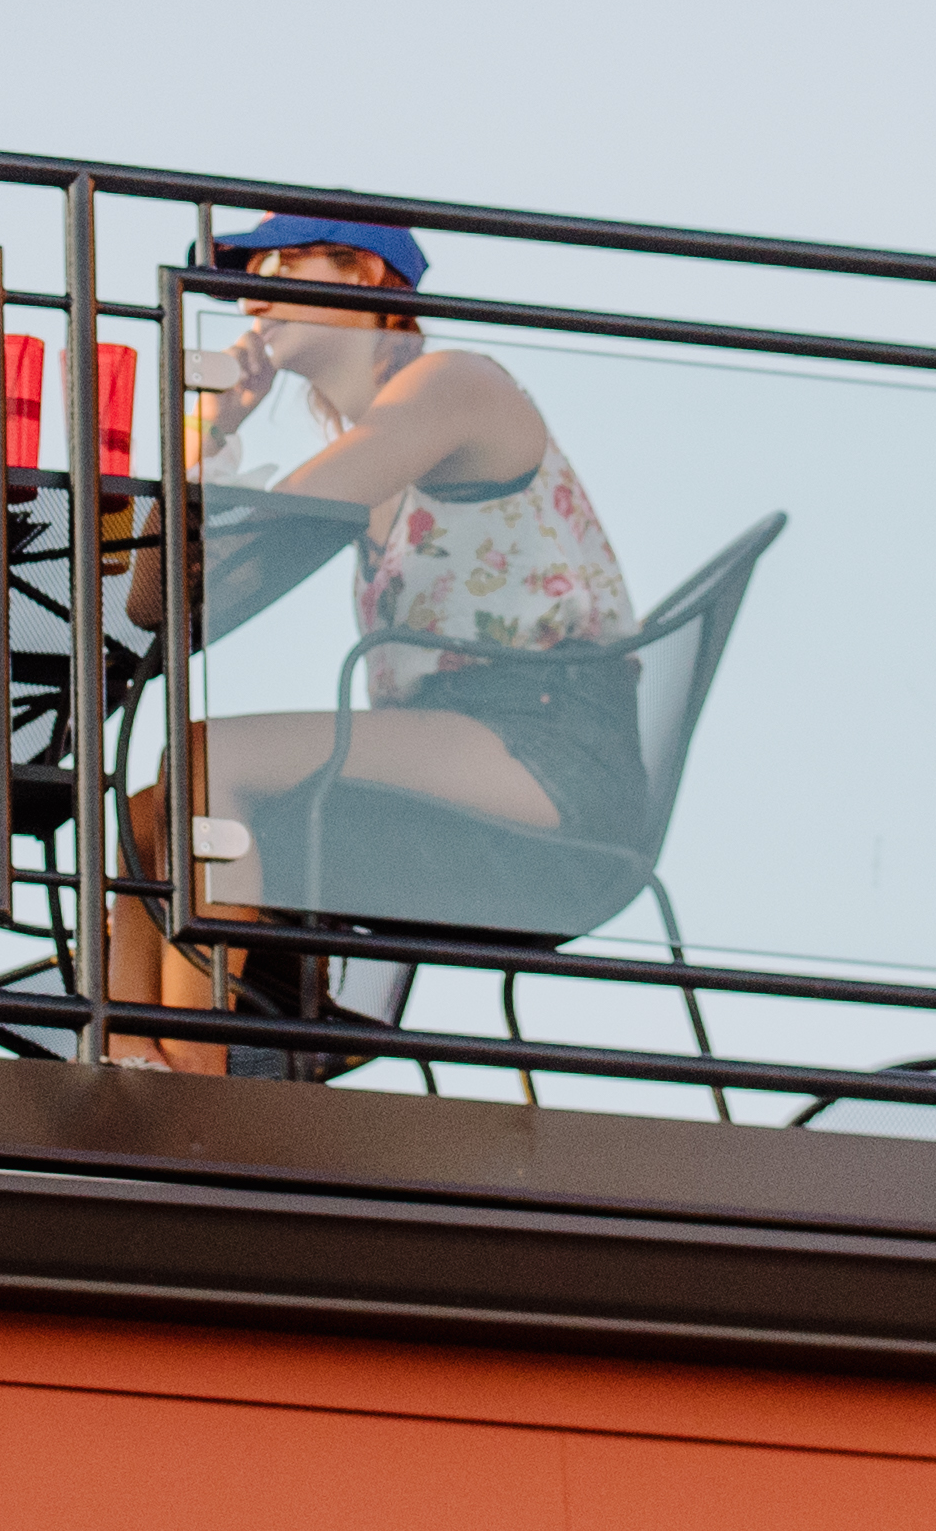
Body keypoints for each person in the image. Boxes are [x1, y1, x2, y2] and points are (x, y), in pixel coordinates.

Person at [108, 213, 640, 1063]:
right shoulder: (367, 463)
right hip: (460, 749)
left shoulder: (454, 384)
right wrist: (209, 428)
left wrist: (213, 445)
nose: (252, 294)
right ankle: (134, 1066)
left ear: (359, 275)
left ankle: (187, 1076)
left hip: (547, 743)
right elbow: (151, 603)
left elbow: (265, 526)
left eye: (281, 262)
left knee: (207, 761)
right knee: (146, 818)